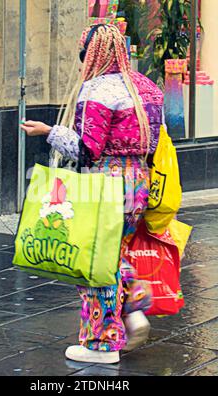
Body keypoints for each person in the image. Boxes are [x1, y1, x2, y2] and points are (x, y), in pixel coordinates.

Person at [21, 24, 165, 364]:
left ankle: (102, 345)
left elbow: (87, 149)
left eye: (81, 48)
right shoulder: (147, 86)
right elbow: (155, 142)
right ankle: (132, 310)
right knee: (115, 253)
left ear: (92, 52)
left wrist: (49, 131)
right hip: (137, 182)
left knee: (95, 263)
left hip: (105, 184)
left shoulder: (97, 89)